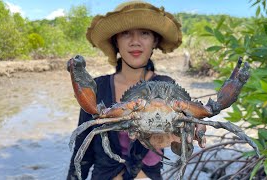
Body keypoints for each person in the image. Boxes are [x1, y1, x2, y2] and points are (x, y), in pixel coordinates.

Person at [67, 1, 206, 179]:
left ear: (155, 40)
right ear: (115, 41)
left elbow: (184, 133)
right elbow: (82, 148)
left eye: (144, 33)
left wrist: (189, 130)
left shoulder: (167, 86)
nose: (135, 42)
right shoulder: (98, 87)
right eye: (126, 33)